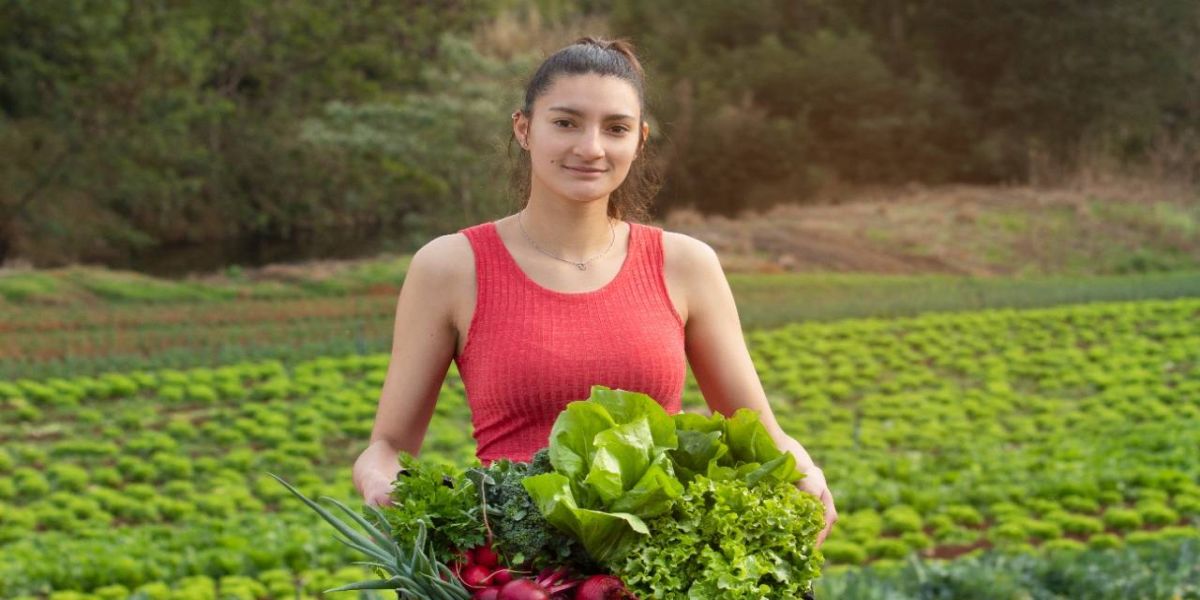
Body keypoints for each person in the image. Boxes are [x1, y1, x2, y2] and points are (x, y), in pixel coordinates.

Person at [351, 36, 837, 549]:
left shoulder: (686, 264)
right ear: (524, 128)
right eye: (566, 123)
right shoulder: (451, 267)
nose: (591, 148)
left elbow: (761, 434)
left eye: (615, 128)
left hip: (655, 562)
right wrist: (380, 480)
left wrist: (803, 470)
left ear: (640, 140)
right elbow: (388, 446)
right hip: (516, 572)